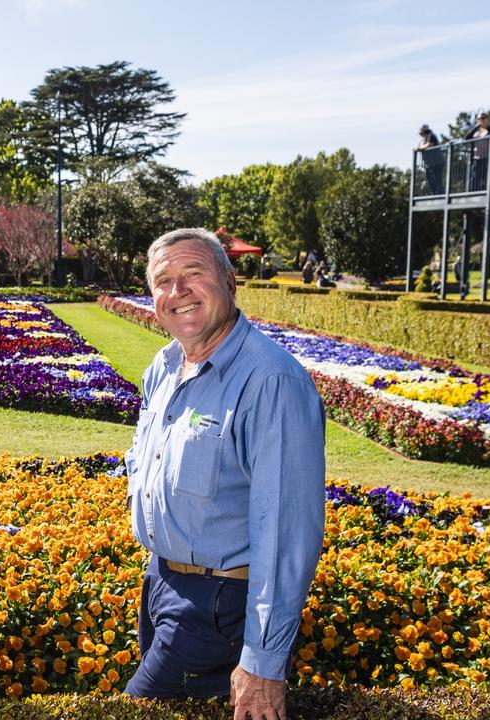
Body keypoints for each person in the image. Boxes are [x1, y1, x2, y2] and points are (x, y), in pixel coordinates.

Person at [122, 228, 325, 719]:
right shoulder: (164, 366)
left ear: (230, 282)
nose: (178, 291)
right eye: (164, 280)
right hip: (162, 585)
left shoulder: (271, 380)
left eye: (194, 274)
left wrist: (263, 661)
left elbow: (285, 531)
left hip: (220, 604)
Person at [466, 112, 490, 191]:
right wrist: (476, 127)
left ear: (487, 119)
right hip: (476, 158)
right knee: (474, 178)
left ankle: (485, 192)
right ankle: (473, 193)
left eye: (484, 118)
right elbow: (467, 138)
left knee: (485, 178)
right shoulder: (476, 131)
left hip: (486, 157)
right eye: (480, 119)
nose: (482, 120)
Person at [417, 124, 444, 195]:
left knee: (437, 179)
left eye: (421, 133)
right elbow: (419, 146)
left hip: (437, 162)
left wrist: (420, 148)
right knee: (429, 180)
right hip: (429, 164)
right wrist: (420, 148)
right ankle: (434, 193)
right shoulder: (423, 139)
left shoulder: (431, 136)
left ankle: (439, 194)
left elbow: (429, 145)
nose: (420, 135)